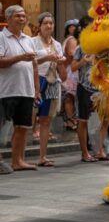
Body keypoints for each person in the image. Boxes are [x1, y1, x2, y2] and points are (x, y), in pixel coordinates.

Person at [0, 5, 40, 171]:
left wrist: (37, 90)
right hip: (7, 90)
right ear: (8, 18)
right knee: (1, 127)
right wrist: (21, 57)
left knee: (23, 126)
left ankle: (18, 161)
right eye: (18, 16)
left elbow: (35, 67)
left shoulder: (28, 39)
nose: (22, 19)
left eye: (24, 16)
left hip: (26, 90)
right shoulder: (2, 37)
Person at [31, 12, 67, 167]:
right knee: (28, 119)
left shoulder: (57, 44)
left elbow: (63, 75)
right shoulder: (32, 42)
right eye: (45, 23)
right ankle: (17, 156)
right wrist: (46, 58)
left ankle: (42, 157)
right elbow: (29, 62)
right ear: (39, 26)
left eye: (51, 23)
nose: (48, 26)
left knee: (46, 120)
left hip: (52, 82)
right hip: (35, 81)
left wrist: (61, 62)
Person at [70, 16, 107, 162]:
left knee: (105, 119)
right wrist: (83, 61)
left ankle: (100, 150)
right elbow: (73, 67)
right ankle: (85, 153)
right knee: (83, 120)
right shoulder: (81, 47)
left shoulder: (103, 46)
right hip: (85, 86)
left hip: (102, 86)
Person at [61, 19, 79, 130]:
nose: (73, 28)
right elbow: (72, 54)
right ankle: (71, 121)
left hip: (68, 70)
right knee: (70, 96)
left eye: (75, 26)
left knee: (69, 97)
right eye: (71, 26)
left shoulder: (67, 39)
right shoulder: (72, 40)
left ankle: (69, 120)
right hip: (71, 71)